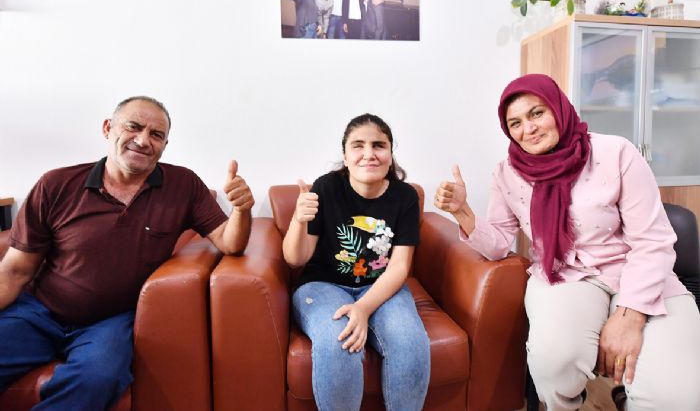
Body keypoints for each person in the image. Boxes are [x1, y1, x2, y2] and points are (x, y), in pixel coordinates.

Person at [434, 73, 700, 411]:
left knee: (674, 398)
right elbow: (499, 243)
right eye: (515, 123)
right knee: (554, 363)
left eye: (537, 113)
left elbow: (652, 241)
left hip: (639, 271)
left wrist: (630, 316)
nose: (528, 128)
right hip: (564, 275)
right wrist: (463, 212)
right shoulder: (507, 173)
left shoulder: (616, 152)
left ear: (558, 108)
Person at [0, 96, 254, 410]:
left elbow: (230, 243)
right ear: (108, 128)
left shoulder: (183, 185)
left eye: (156, 135)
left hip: (111, 321)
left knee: (98, 378)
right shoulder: (56, 184)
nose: (143, 140)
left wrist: (242, 209)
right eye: (133, 127)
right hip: (40, 312)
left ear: (164, 145)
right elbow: (14, 270)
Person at [283, 114, 430, 411]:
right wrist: (299, 220)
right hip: (322, 285)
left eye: (379, 145)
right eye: (358, 145)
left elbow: (400, 267)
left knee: (410, 342)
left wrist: (363, 308)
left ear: (390, 154)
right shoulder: (325, 188)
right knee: (339, 341)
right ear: (345, 156)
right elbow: (295, 258)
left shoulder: (405, 196)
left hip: (381, 286)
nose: (369, 154)